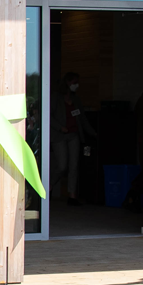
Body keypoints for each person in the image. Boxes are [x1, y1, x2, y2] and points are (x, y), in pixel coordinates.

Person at [51, 71, 96, 207]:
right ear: (67, 83)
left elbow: (82, 118)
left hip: (74, 135)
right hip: (59, 136)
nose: (76, 85)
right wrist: (60, 128)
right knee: (62, 165)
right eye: (74, 83)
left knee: (74, 166)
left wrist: (93, 133)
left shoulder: (76, 99)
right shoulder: (56, 98)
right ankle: (49, 186)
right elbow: (48, 115)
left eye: (77, 83)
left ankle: (72, 196)